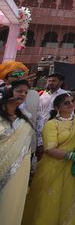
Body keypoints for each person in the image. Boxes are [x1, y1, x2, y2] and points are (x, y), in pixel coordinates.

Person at [22, 93, 75, 225]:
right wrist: (72, 156)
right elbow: (49, 149)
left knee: (70, 198)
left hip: (73, 168)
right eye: (66, 103)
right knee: (51, 199)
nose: (71, 104)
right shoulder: (51, 124)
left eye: (72, 101)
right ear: (58, 107)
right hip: (54, 168)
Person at [0, 79, 35, 225]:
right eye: (19, 91)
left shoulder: (25, 118)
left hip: (19, 168)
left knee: (12, 204)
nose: (23, 94)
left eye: (26, 92)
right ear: (7, 92)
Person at [0, 61, 38, 154]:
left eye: (22, 73)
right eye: (16, 74)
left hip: (27, 145)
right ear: (5, 79)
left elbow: (38, 118)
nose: (20, 76)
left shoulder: (34, 95)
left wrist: (39, 142)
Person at [36, 72, 67, 159]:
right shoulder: (43, 95)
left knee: (52, 151)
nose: (51, 83)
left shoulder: (65, 95)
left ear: (60, 82)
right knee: (40, 151)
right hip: (41, 127)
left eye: (54, 81)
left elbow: (68, 111)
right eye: (49, 81)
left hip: (57, 126)